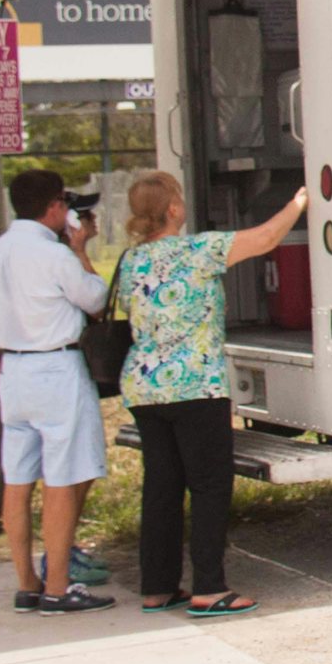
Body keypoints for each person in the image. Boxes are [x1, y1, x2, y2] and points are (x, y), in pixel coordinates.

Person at [117, 171, 307, 618]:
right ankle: (208, 588)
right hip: (195, 386)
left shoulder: (131, 261)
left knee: (161, 488)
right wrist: (299, 202)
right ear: (174, 209)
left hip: (146, 388)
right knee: (207, 486)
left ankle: (158, 587)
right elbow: (264, 239)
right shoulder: (198, 250)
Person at [0, 169, 116, 615]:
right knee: (62, 480)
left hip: (13, 370)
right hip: (57, 366)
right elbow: (98, 301)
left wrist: (3, 373)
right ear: (53, 207)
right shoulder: (54, 256)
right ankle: (59, 585)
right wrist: (81, 250)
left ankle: (27, 582)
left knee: (18, 480)